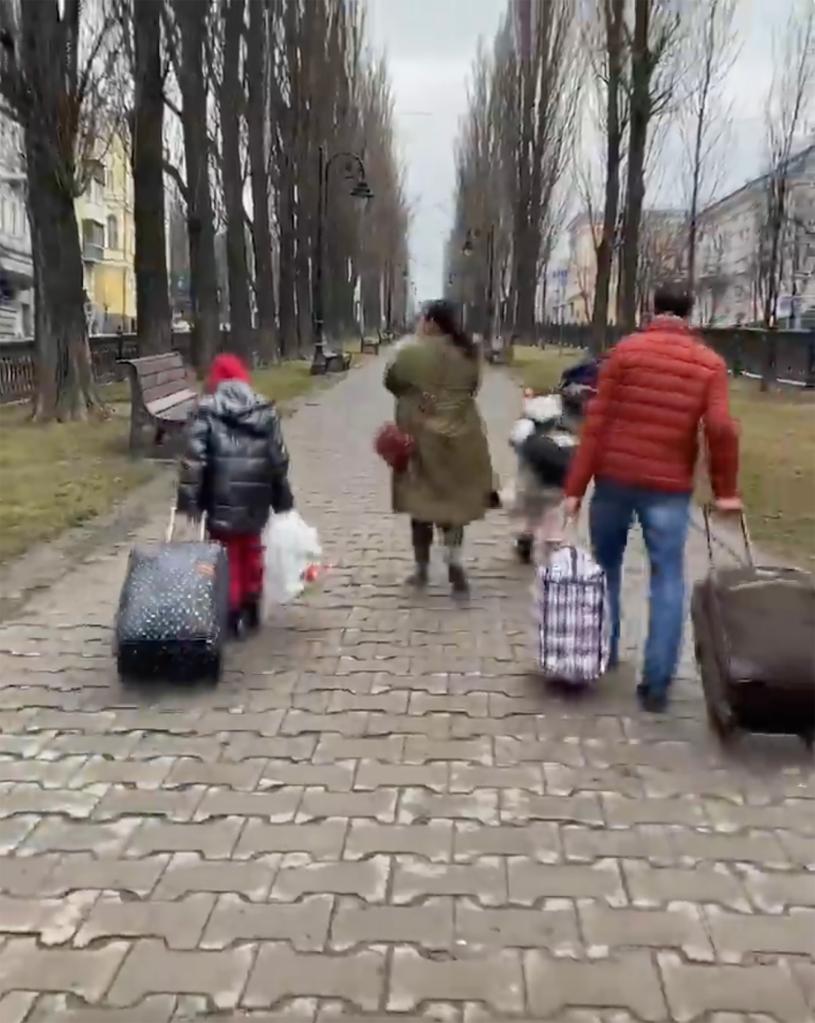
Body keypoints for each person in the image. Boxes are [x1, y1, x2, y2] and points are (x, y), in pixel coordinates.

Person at [563, 283, 741, 712]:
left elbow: (597, 423)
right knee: (667, 577)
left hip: (614, 479)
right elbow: (721, 428)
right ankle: (657, 683)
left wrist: (574, 489)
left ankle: (604, 651)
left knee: (606, 565)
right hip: (669, 487)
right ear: (691, 313)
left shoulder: (624, 353)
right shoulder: (710, 364)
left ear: (652, 308)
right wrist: (726, 492)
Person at [177, 352, 294, 638]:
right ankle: (251, 604)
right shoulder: (264, 410)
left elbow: (195, 461)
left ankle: (229, 612)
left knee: (224, 553)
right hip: (256, 497)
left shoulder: (206, 410)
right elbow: (278, 458)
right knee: (252, 547)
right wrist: (282, 498)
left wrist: (189, 501)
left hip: (221, 496)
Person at [385, 299, 494, 596]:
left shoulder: (413, 352)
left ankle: (421, 570)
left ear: (431, 321)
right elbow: (472, 388)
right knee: (453, 503)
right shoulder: (470, 352)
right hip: (463, 437)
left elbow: (391, 381)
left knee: (420, 501)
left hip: (422, 438)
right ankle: (454, 561)